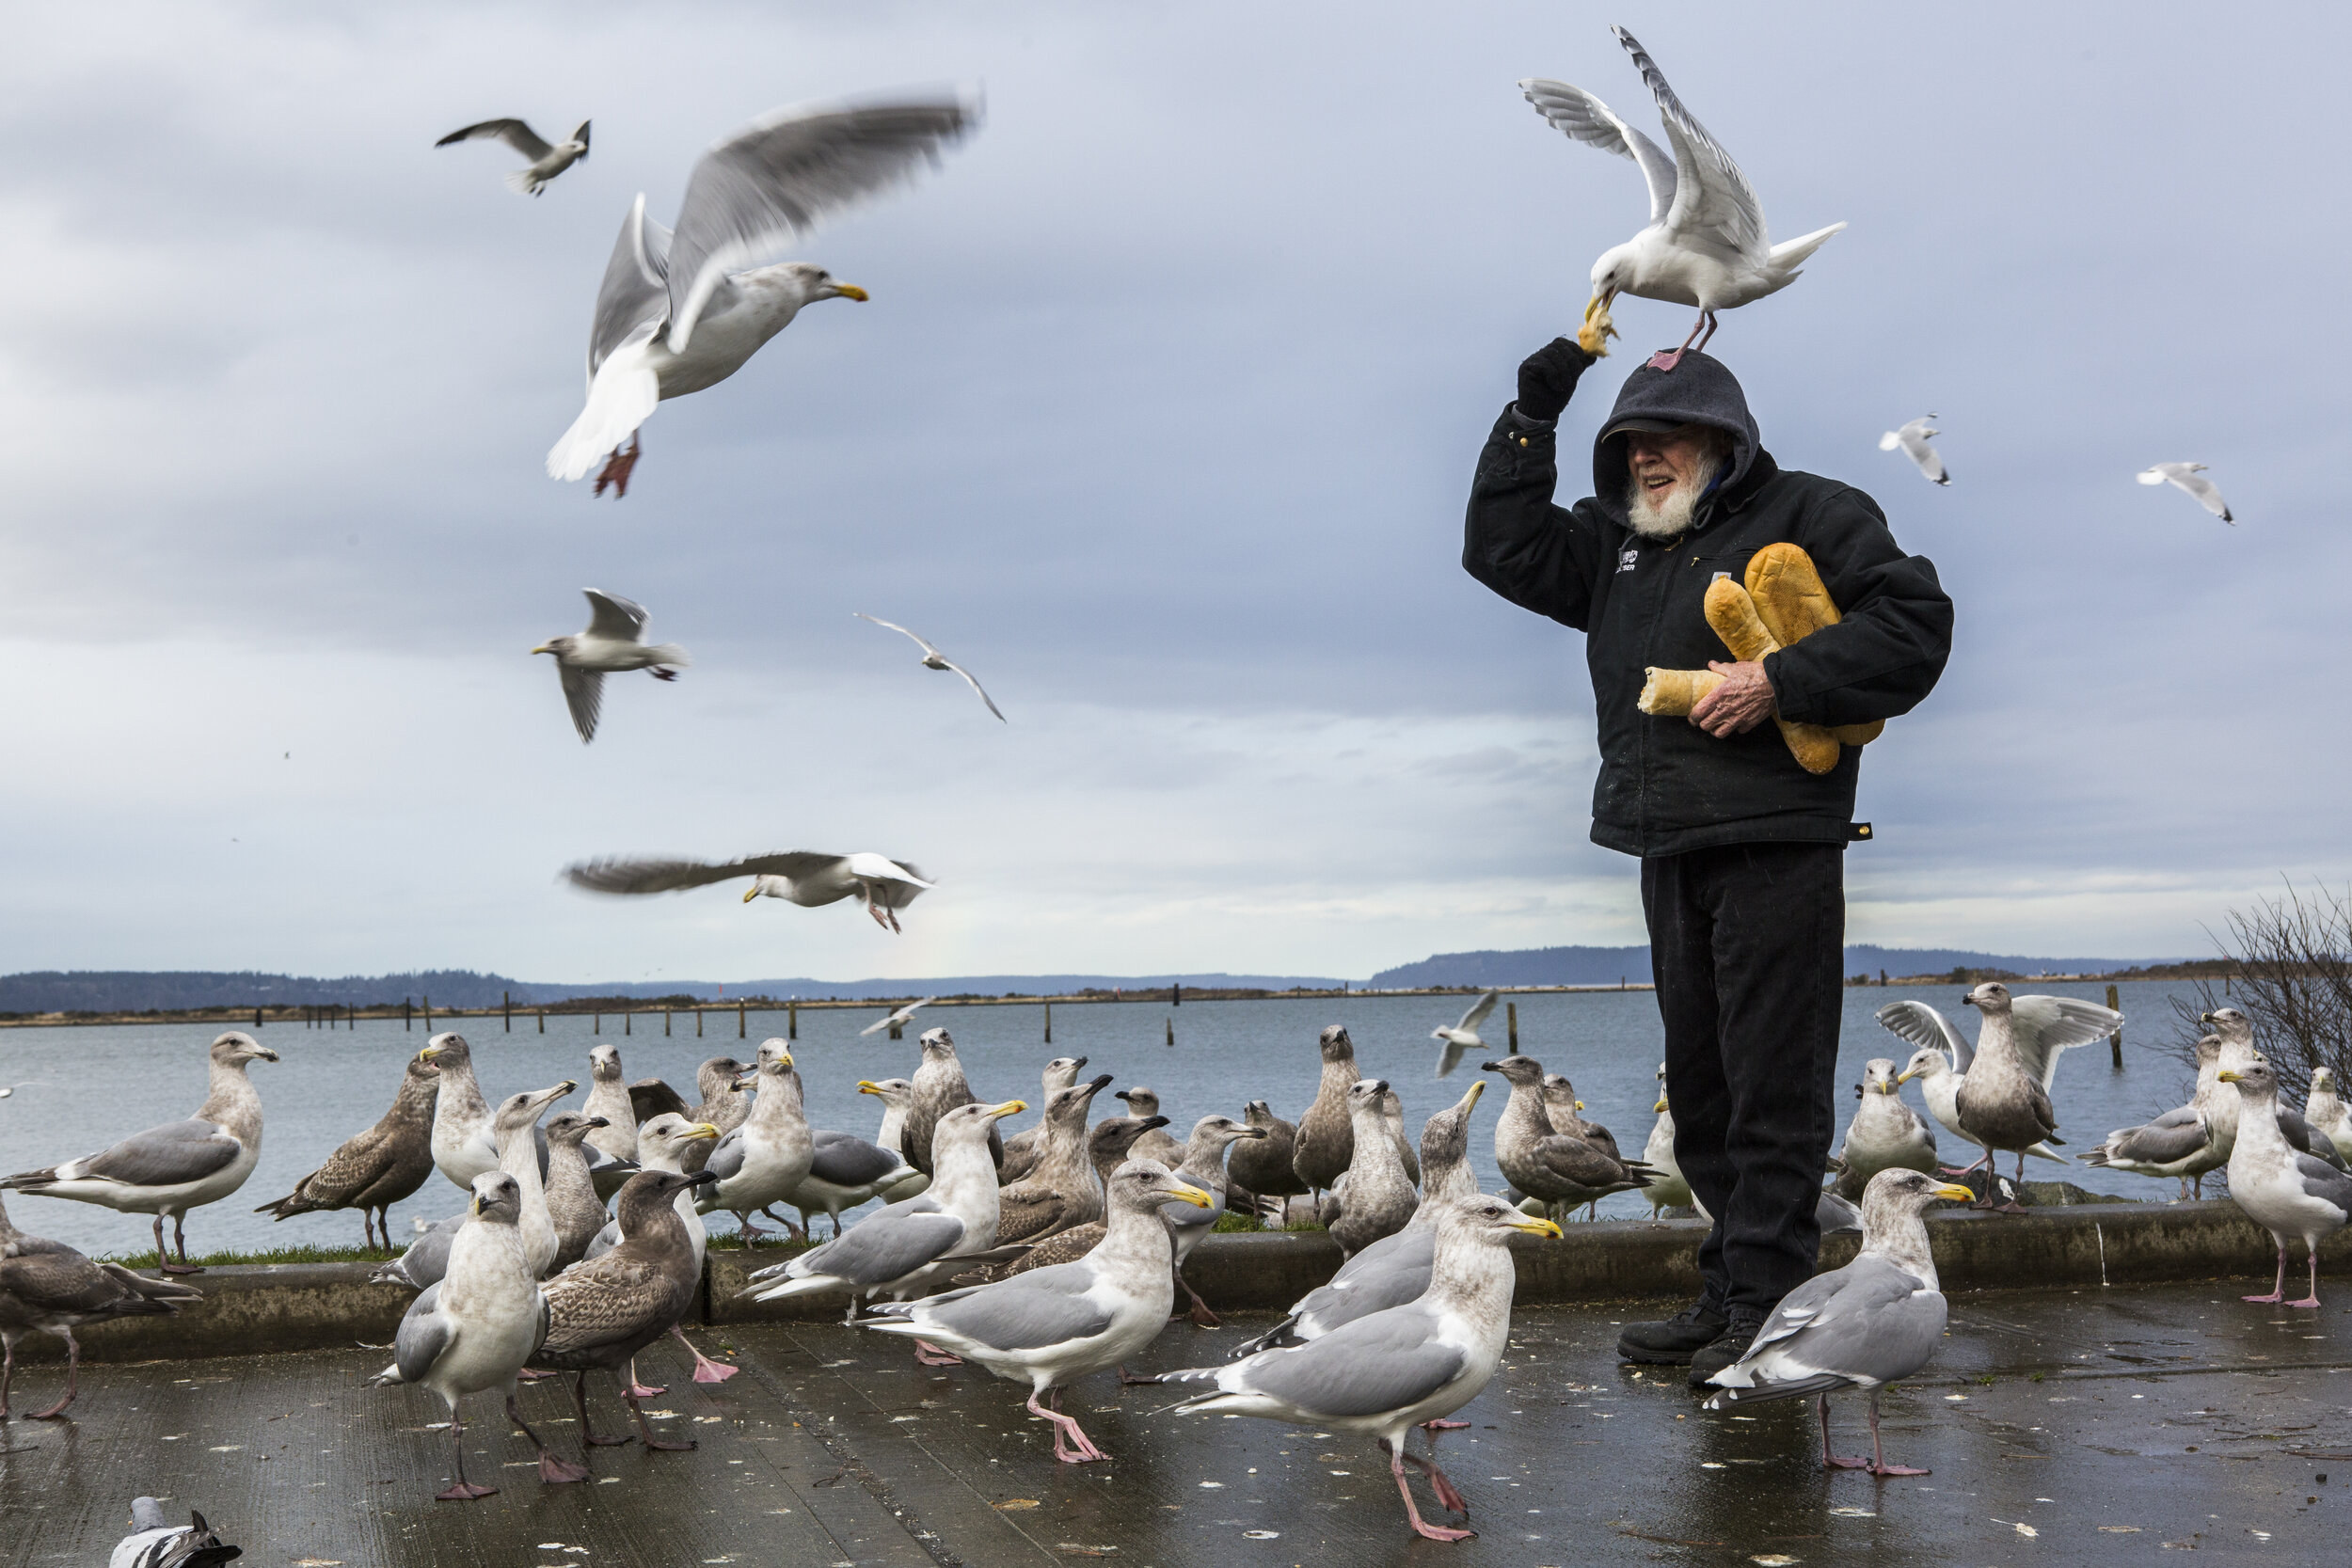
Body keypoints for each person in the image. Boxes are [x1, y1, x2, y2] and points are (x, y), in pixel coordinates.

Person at [1461, 337, 1952, 1386]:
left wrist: (1781, 678)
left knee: (1771, 1090)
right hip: (1667, 841)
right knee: (1703, 1090)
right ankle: (1730, 1293)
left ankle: (1770, 1310)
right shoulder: (1615, 544)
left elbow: (1916, 626)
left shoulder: (1816, 513)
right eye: (1630, 440)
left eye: (1667, 436)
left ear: (1724, 437)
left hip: (1778, 839)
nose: (1645, 457)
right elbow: (1500, 550)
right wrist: (1531, 413)